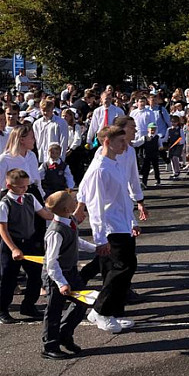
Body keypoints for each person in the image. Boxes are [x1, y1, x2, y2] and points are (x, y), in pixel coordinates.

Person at [80, 126, 141, 334]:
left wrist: (132, 221)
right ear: (107, 141)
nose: (125, 145)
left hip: (123, 224)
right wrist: (99, 238)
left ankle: (113, 312)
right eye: (120, 141)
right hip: (111, 227)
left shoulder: (114, 163)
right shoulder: (100, 168)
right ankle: (101, 311)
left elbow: (123, 197)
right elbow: (95, 206)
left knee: (127, 267)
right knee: (120, 269)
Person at [40, 191, 95, 359]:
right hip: (56, 275)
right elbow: (51, 262)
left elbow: (76, 240)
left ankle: (65, 334)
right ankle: (50, 346)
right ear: (66, 207)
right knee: (54, 310)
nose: (75, 199)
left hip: (70, 271)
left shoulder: (70, 221)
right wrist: (61, 282)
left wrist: (95, 248)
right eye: (72, 199)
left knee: (82, 302)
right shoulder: (55, 231)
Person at [0, 169, 54, 324]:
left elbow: (44, 214)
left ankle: (28, 306)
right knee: (8, 278)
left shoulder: (29, 198)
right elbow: (2, 229)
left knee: (36, 275)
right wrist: (13, 249)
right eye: (20, 187)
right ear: (9, 186)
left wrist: (62, 216)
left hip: (29, 242)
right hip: (11, 244)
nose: (24, 189)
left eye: (26, 186)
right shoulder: (5, 203)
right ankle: (3, 309)